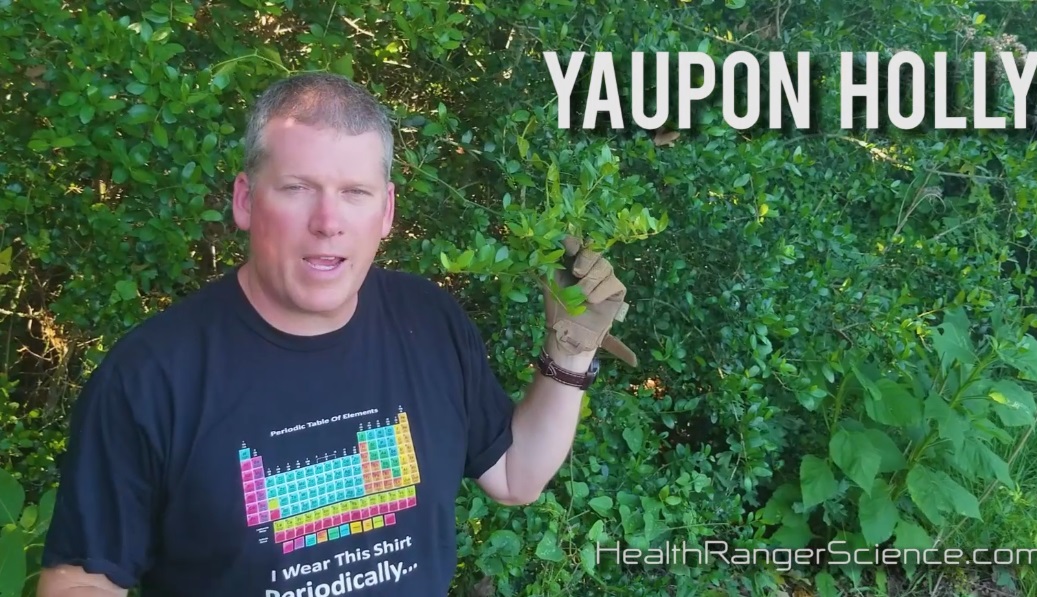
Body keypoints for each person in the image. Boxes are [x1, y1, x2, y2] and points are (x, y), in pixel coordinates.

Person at [37, 72, 637, 597]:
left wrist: (572, 349)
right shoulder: (152, 375)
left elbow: (514, 478)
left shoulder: (427, 320)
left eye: (354, 193)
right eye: (297, 189)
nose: (327, 223)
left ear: (387, 212)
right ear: (246, 201)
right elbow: (82, 578)